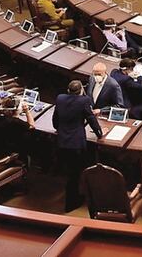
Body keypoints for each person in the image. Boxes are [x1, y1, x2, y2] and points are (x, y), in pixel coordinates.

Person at [53, 80, 103, 211]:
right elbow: (91, 118)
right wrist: (99, 133)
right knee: (74, 174)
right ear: (81, 90)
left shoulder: (60, 98)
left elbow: (55, 119)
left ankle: (72, 197)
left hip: (62, 141)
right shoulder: (84, 100)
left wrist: (57, 128)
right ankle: (71, 203)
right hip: (76, 143)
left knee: (70, 172)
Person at [0, 95, 35, 161]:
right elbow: (32, 126)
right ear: (16, 109)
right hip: (2, 153)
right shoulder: (15, 122)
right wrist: (27, 111)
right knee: (29, 136)